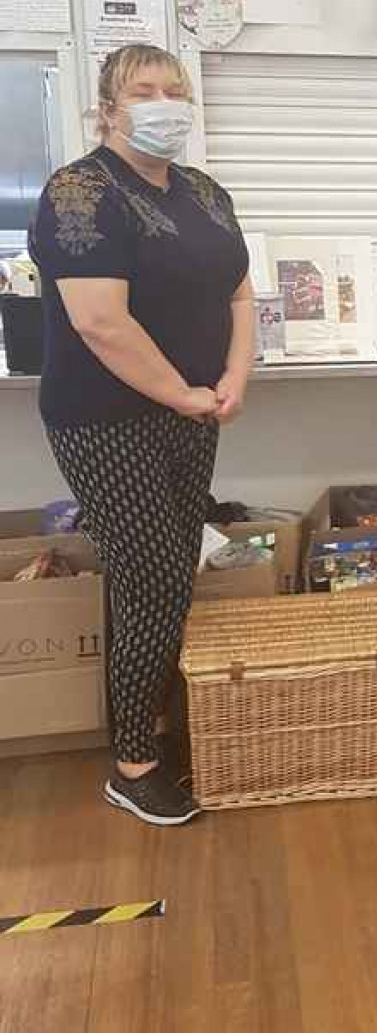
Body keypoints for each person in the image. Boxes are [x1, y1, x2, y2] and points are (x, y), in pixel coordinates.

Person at [29, 44, 254, 824]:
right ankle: (131, 763)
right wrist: (184, 393)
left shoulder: (204, 192)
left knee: (159, 576)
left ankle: (151, 728)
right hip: (104, 419)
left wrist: (234, 377)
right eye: (144, 92)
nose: (164, 103)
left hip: (192, 411)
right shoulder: (78, 193)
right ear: (109, 109)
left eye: (175, 89)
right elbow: (99, 320)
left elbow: (239, 295)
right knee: (155, 576)